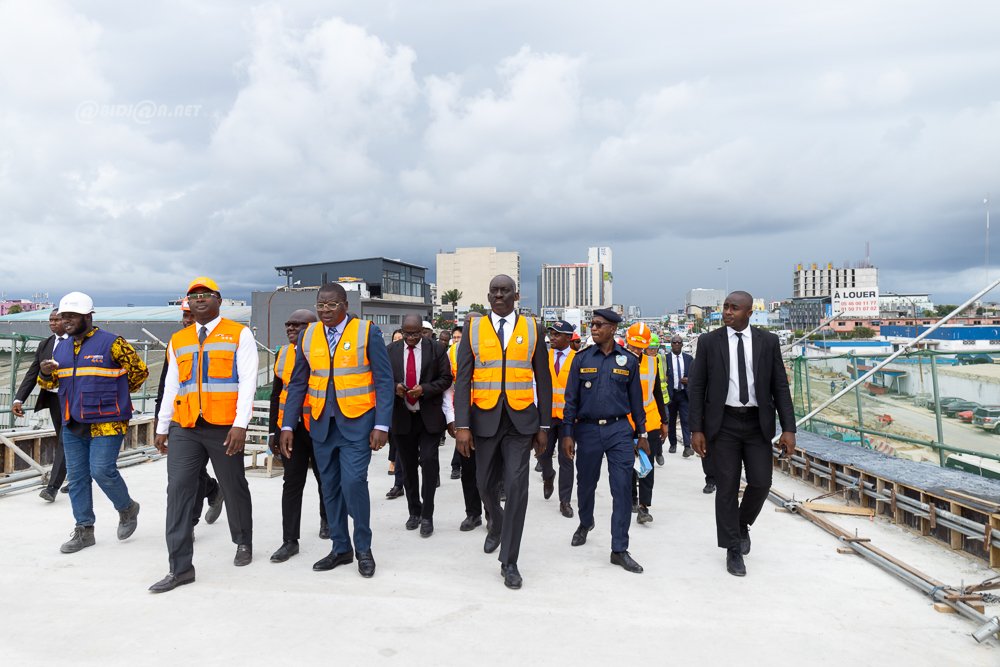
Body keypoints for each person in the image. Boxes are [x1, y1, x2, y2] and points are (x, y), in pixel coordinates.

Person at [150, 277, 258, 592]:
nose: (199, 300)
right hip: (185, 426)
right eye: (193, 296)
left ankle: (243, 541)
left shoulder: (239, 334)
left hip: (224, 425)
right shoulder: (178, 340)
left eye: (205, 295)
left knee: (232, 483)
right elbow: (172, 384)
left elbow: (248, 381)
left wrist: (241, 423)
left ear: (218, 300)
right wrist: (162, 425)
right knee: (178, 489)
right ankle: (180, 568)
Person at [280, 283, 393, 578]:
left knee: (354, 483)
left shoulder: (366, 332)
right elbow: (297, 384)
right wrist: (288, 424)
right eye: (321, 305)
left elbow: (383, 381)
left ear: (344, 304)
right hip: (321, 424)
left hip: (357, 423)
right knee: (329, 488)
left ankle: (363, 548)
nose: (325, 311)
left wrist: (382, 424)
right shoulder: (308, 336)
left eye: (331, 305)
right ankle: (340, 548)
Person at [689, 291, 796, 577]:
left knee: (762, 482)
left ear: (749, 312)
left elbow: (780, 388)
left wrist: (789, 429)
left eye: (734, 308)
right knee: (726, 487)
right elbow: (697, 387)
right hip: (722, 424)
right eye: (725, 307)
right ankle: (732, 549)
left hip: (756, 424)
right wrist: (696, 428)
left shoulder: (768, 341)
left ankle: (741, 524)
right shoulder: (709, 342)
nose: (727, 312)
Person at [455, 275, 551, 589]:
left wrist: (544, 426)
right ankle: (494, 521)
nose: (499, 295)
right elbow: (463, 380)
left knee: (516, 487)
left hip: (521, 421)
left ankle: (509, 561)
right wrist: (462, 425)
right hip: (484, 420)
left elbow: (543, 379)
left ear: (516, 295)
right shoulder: (474, 328)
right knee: (484, 483)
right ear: (488, 295)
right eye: (494, 291)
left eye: (505, 290)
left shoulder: (533, 328)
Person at [37, 293, 147, 553]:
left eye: (72, 317)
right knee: (76, 478)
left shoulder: (112, 343)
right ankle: (84, 530)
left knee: (100, 470)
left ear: (88, 316)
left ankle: (127, 508)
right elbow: (53, 384)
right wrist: (45, 373)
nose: (66, 321)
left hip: (107, 419)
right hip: (72, 421)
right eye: (64, 317)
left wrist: (116, 394)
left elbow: (140, 372)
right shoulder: (61, 347)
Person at [561, 309, 649, 574]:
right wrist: (567, 433)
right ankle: (585, 522)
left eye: (599, 325)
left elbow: (636, 402)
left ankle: (619, 548)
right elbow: (570, 400)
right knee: (585, 484)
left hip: (619, 431)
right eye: (592, 324)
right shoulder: (581, 359)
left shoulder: (628, 361)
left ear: (612, 329)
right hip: (587, 431)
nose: (593, 329)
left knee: (621, 488)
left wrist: (642, 435)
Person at [153, 298, 225, 529]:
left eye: (191, 317)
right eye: (185, 317)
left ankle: (189, 523)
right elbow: (166, 385)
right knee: (184, 475)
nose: (187, 321)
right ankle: (212, 491)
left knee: (191, 475)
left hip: (212, 419)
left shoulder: (219, 341)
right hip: (181, 419)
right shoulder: (177, 343)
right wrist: (160, 422)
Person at [269, 309, 330, 563]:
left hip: (318, 426)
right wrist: (275, 429)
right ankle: (289, 540)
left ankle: (327, 521)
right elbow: (276, 394)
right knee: (291, 484)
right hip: (290, 431)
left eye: (298, 325)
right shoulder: (283, 354)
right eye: (289, 324)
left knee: (325, 479)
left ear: (313, 327)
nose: (291, 328)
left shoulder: (324, 352)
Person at [387, 314, 453, 537]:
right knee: (407, 468)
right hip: (402, 417)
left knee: (428, 460)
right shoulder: (391, 350)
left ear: (424, 330)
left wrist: (424, 389)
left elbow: (446, 379)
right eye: (407, 333)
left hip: (429, 418)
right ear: (402, 331)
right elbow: (382, 379)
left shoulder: (437, 349)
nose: (411, 337)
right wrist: (395, 386)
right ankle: (414, 511)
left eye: (416, 333)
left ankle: (427, 515)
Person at [13, 309, 69, 502]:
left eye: (57, 319)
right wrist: (19, 399)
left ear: (66, 321)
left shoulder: (77, 343)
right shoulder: (45, 344)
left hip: (73, 399)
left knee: (65, 440)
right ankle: (79, 478)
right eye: (50, 320)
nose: (53, 323)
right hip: (54, 399)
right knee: (67, 440)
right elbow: (32, 373)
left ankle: (52, 487)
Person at [442, 314, 484, 531]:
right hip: (464, 420)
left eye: (475, 323)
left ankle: (493, 513)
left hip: (489, 418)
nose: (471, 327)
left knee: (490, 471)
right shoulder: (452, 353)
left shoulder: (492, 348)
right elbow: (449, 388)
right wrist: (452, 419)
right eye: (468, 323)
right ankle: (473, 513)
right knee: (468, 471)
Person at [623, 323, 668, 525]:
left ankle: (644, 506)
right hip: (626, 419)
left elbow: (657, 392)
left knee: (646, 463)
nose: (636, 350)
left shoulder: (652, 362)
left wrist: (665, 421)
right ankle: (632, 497)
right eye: (633, 346)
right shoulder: (619, 361)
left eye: (640, 347)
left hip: (649, 419)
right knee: (629, 463)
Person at [538, 320, 576, 518]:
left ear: (568, 338)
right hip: (546, 416)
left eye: (557, 334)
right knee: (542, 454)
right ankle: (548, 475)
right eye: (551, 334)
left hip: (568, 419)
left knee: (566, 458)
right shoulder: (544, 357)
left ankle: (565, 501)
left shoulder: (578, 359)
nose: (552, 337)